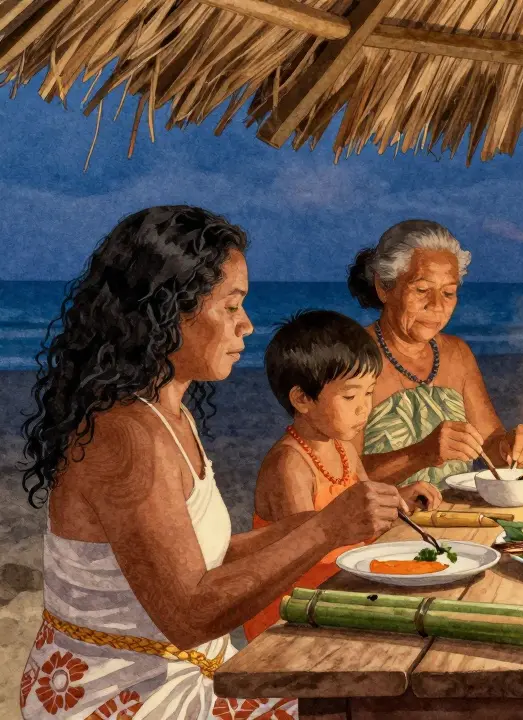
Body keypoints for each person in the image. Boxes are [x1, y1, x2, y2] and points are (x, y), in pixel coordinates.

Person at [18, 207, 404, 719]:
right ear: (168, 309)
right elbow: (189, 612)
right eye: (231, 305)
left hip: (184, 673)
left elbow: (205, 555)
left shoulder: (168, 416)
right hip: (122, 696)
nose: (246, 325)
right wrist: (326, 529)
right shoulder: (126, 435)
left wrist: (325, 523)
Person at [241, 310, 444, 642]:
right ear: (303, 399)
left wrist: (397, 500)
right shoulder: (289, 464)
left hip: (340, 594)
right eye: (350, 396)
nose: (365, 408)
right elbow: (303, 555)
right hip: (294, 616)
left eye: (369, 393)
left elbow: (364, 517)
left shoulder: (343, 448)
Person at [349, 220, 523, 488]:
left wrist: (512, 446)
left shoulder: (457, 354)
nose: (437, 306)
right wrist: (421, 454)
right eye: (421, 290)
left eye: (449, 293)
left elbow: (491, 447)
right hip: (383, 525)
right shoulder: (352, 357)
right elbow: (341, 476)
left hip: (453, 518)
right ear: (384, 287)